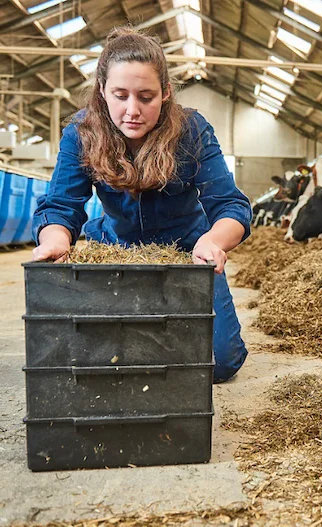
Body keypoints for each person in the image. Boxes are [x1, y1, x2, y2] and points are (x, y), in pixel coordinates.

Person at [31, 27, 252, 383]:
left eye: (146, 97)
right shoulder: (81, 131)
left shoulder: (192, 130)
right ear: (102, 91)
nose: (132, 110)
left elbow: (230, 205)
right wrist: (55, 239)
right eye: (120, 95)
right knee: (95, 358)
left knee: (219, 364)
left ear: (166, 93)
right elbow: (60, 205)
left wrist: (213, 242)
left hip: (186, 251)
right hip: (115, 249)